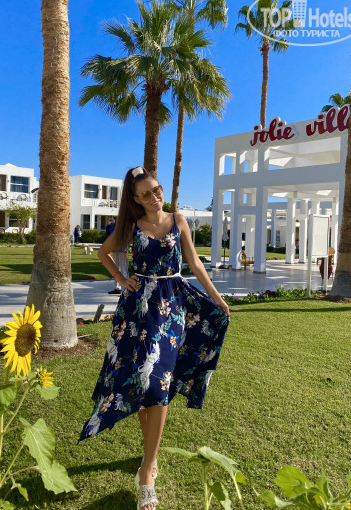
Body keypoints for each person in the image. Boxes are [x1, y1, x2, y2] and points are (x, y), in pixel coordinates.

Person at [79, 166, 230, 510]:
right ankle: (151, 458)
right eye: (146, 194)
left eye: (157, 189)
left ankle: (147, 470)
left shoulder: (178, 221)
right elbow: (104, 253)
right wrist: (121, 278)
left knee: (159, 381)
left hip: (172, 306)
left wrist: (217, 298)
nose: (154, 196)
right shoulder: (131, 227)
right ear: (135, 199)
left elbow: (195, 263)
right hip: (137, 310)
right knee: (142, 381)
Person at [105, 217, 126, 295]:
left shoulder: (122, 227)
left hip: (122, 250)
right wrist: (109, 225)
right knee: (115, 269)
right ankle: (117, 288)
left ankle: (125, 289)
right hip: (115, 250)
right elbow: (108, 234)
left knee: (123, 269)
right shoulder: (111, 226)